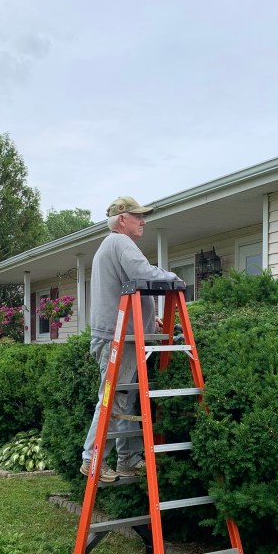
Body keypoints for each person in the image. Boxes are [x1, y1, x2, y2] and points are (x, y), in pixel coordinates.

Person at [80, 195, 182, 482]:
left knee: (123, 400)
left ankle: (128, 459)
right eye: (138, 216)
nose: (143, 221)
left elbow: (126, 289)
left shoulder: (108, 246)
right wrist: (174, 278)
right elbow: (143, 273)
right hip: (119, 339)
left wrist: (150, 321)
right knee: (113, 400)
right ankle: (92, 459)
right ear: (122, 219)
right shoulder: (120, 242)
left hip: (118, 336)